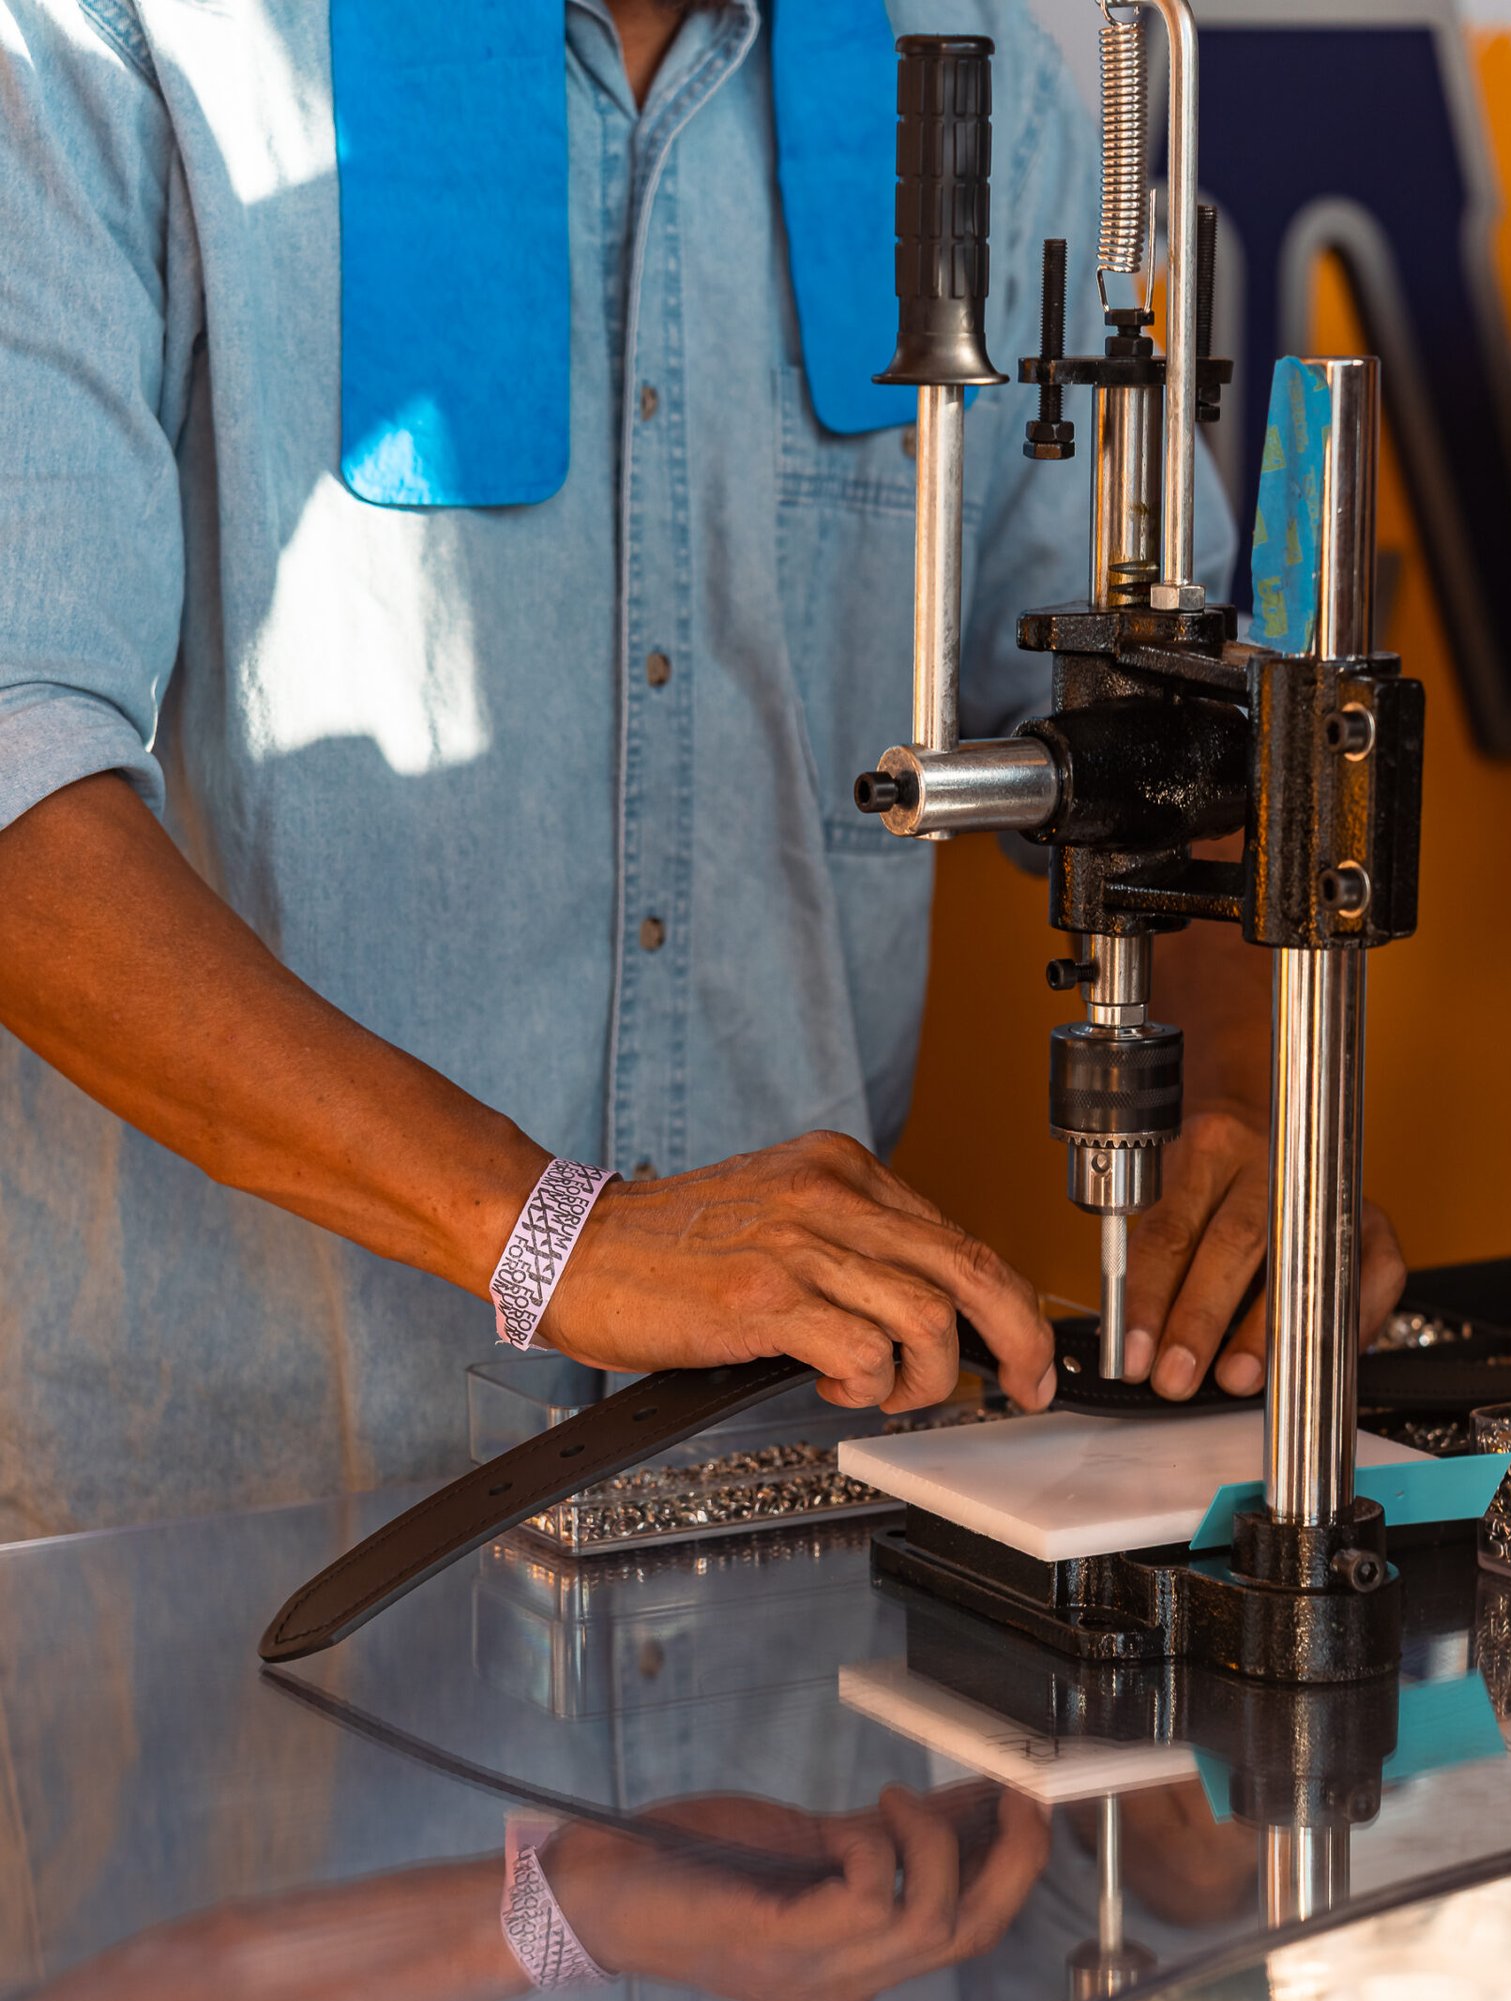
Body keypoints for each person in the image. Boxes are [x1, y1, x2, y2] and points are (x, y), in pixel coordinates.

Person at [0, 0, 1403, 1540]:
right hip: (227, 1532)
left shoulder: (960, 57)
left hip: (768, 1518)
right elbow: (24, 791)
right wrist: (554, 1235)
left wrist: (1253, 1130)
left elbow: (1191, 742)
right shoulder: (112, 45)